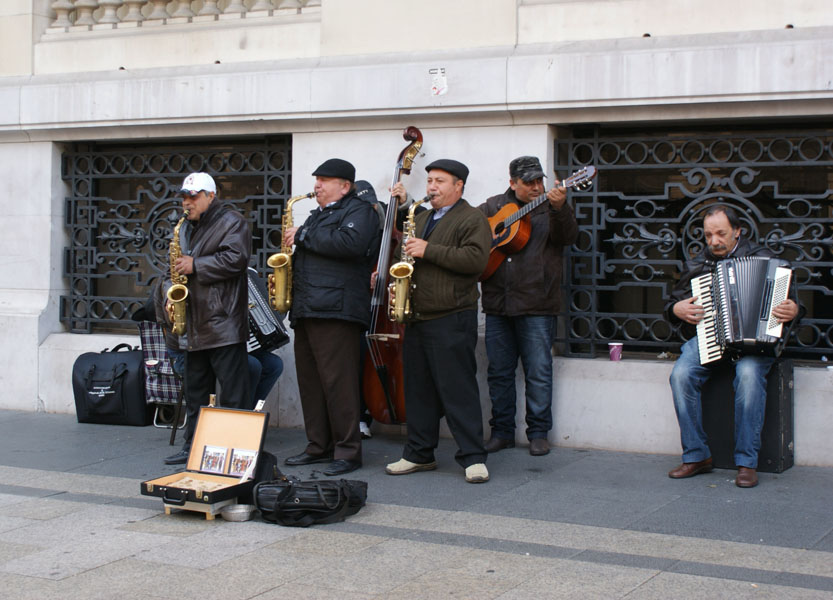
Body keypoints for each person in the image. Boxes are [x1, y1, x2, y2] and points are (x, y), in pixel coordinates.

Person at [666, 204, 800, 488]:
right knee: (680, 375)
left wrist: (793, 311)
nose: (714, 241)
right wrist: (675, 309)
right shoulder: (698, 265)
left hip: (754, 345)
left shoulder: (767, 260)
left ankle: (747, 462)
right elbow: (672, 304)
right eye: (708, 235)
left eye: (721, 234)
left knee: (749, 376)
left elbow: (793, 308)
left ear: (738, 231)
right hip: (711, 339)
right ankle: (696, 455)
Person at [384, 159, 493, 483]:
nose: (432, 187)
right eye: (430, 180)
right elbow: (408, 255)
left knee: (458, 389)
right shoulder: (422, 215)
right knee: (418, 391)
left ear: (458, 186)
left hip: (452, 315)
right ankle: (419, 453)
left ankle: (473, 457)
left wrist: (428, 250)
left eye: (440, 181)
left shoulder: (472, 218)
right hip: (418, 315)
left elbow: (475, 261)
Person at [283, 159, 382, 477]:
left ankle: (348, 451)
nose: (317, 186)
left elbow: (350, 244)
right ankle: (318, 446)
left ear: (345, 186)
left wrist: (302, 236)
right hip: (308, 308)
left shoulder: (360, 211)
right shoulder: (317, 215)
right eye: (316, 180)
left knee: (339, 384)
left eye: (324, 180)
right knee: (311, 384)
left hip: (337, 310)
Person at [479, 156, 578, 456]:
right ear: (512, 183)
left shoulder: (552, 206)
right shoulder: (492, 206)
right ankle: (502, 432)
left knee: (538, 370)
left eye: (539, 180)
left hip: (537, 302)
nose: (537, 187)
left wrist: (560, 208)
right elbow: (472, 235)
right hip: (498, 303)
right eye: (529, 182)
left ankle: (538, 432)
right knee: (499, 372)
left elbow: (569, 236)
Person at [162, 172, 252, 465]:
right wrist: (167, 293)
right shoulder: (184, 228)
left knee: (234, 395)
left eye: (194, 197)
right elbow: (172, 268)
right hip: (192, 323)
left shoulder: (232, 222)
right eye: (185, 197)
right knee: (196, 392)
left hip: (222, 323)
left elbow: (236, 260)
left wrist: (196, 265)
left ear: (211, 196)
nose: (187, 203)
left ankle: (236, 450)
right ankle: (194, 448)